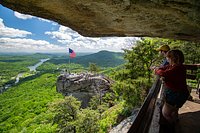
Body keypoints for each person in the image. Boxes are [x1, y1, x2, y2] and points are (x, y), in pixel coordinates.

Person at [153, 50, 189, 125]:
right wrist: (158, 68)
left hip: (177, 94)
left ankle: (173, 125)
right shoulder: (174, 66)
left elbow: (163, 73)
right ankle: (175, 122)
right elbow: (164, 68)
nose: (167, 59)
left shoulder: (177, 68)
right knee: (174, 111)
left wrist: (156, 70)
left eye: (168, 58)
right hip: (179, 93)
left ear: (173, 58)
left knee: (165, 113)